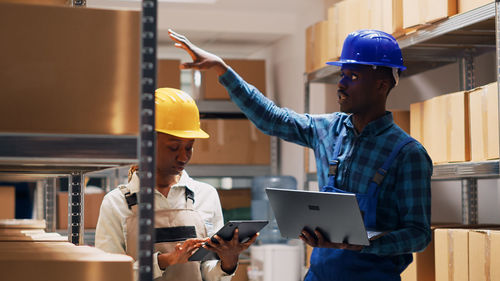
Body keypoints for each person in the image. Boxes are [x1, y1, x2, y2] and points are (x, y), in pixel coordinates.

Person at [168, 29, 432, 281]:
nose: (340, 83)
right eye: (341, 74)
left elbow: (418, 235)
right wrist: (221, 69)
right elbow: (271, 118)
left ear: (381, 85)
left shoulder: (408, 155)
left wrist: (363, 244)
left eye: (352, 76)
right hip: (318, 275)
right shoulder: (328, 130)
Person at [95, 88, 257, 281]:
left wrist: (227, 263)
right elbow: (109, 276)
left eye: (189, 147)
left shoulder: (206, 195)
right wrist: (164, 261)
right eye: (173, 147)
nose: (184, 156)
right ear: (146, 143)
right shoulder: (116, 204)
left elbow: (207, 271)